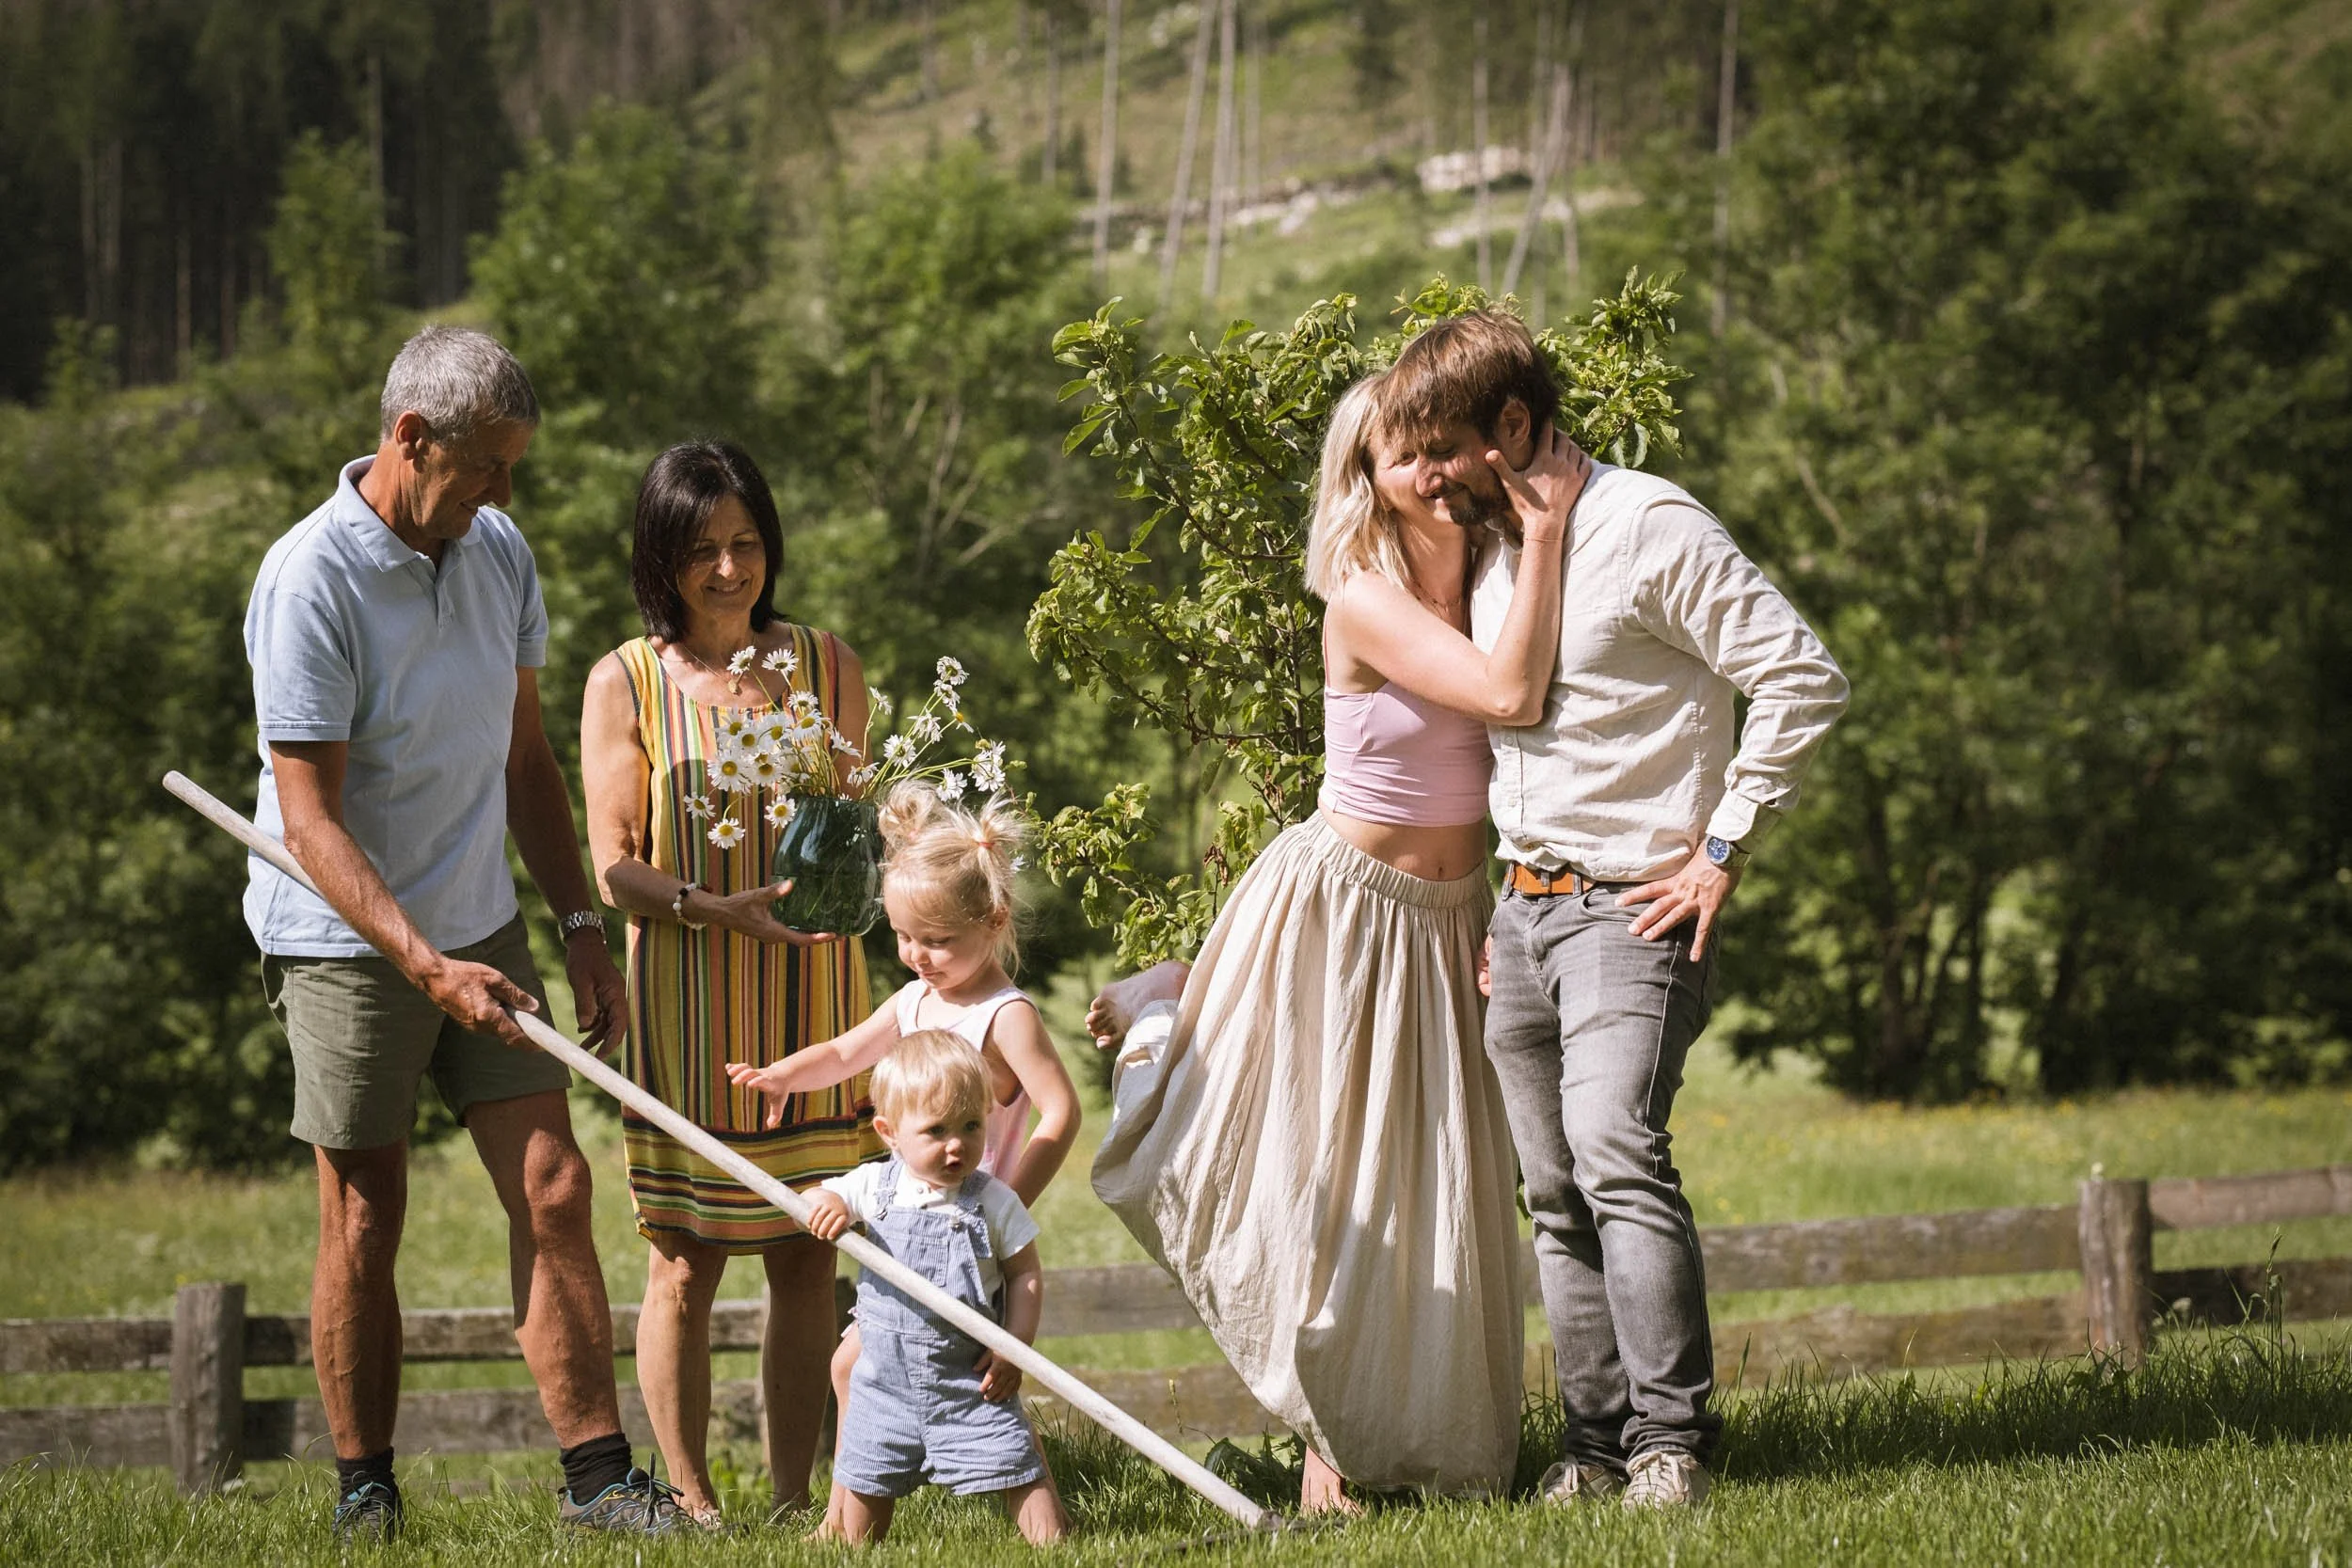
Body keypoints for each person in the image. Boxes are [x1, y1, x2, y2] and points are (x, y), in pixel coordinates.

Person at [1087, 372, 1592, 1508]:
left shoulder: (1494, 563)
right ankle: (1165, 1008)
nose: (1429, 469)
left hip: (1454, 919)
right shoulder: (1363, 595)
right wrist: (1551, 533)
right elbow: (1509, 694)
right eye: (1400, 454)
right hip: (1347, 913)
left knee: (1435, 1190)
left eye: (1439, 443)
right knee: (1322, 1193)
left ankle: (1391, 1454)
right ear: (1367, 478)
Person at [1406, 310, 1850, 1508]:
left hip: (1632, 914)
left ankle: (1671, 1443)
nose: (1429, 476)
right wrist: (1498, 904)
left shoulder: (1651, 524)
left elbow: (1802, 675)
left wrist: (1721, 849)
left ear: (1513, 422)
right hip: (1523, 913)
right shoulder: (1494, 550)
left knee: (1615, 1152)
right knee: (1554, 1193)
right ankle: (1594, 1451)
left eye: (1443, 448)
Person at [243, 325, 676, 1540]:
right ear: (411, 438)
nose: (505, 492)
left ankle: (600, 1482)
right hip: (344, 936)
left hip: (481, 913)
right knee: (365, 1209)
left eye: (513, 467)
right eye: (489, 465)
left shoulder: (496, 550)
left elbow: (526, 760)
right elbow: (309, 818)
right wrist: (422, 964)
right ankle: (366, 1490)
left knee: (554, 1181)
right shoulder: (310, 578)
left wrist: (579, 925)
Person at [579, 440, 884, 1525]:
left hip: (817, 999)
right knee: (683, 1261)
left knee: (808, 1252)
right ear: (659, 555)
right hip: (687, 1003)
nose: (727, 568)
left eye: (745, 542)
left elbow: (853, 822)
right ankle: (694, 1499)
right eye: (701, 547)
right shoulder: (624, 680)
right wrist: (713, 906)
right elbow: (613, 862)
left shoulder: (828, 664)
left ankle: (795, 1498)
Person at [726, 781, 1081, 1535]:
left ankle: (1041, 1517)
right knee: (852, 1363)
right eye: (903, 936)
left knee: (982, 1376)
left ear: (994, 922)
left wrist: (1004, 1203)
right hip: (907, 1223)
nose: (917, 956)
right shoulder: (917, 998)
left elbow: (1062, 1111)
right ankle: (842, 1517)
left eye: (936, 940)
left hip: (966, 1236)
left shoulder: (1005, 1015)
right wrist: (783, 1074)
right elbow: (845, 1051)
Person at [801, 1030, 1070, 1546]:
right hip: (882, 1388)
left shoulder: (993, 1200)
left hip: (968, 1382)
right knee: (862, 1500)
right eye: (936, 1130)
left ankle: (1056, 1548)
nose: (956, 1144)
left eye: (971, 1126)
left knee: (1016, 1464)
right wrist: (827, 1203)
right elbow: (815, 1197)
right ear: (890, 1132)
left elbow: (1025, 1274)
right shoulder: (874, 1186)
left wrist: (1013, 1347)